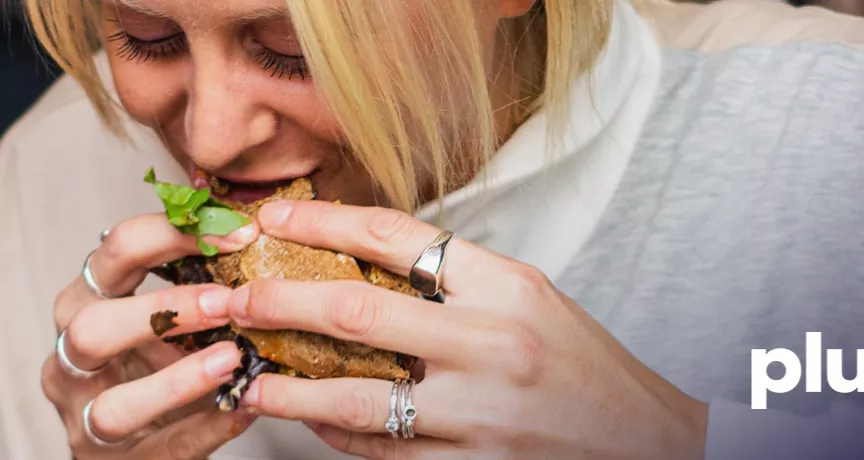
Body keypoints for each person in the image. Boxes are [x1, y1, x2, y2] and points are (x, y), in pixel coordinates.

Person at [1, 0, 863, 459]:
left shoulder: (830, 139)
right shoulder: (34, 190)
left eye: (294, 49)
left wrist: (688, 446)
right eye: (149, 38)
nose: (212, 137)